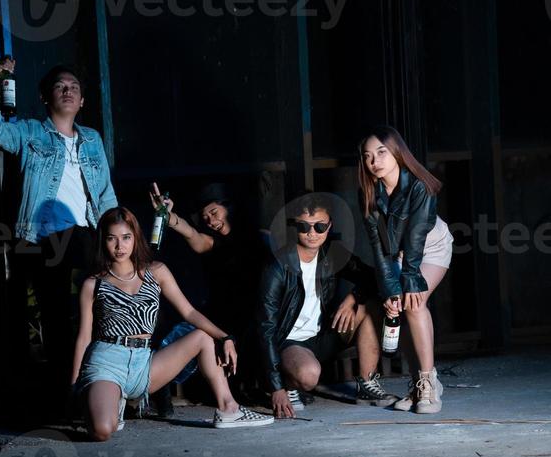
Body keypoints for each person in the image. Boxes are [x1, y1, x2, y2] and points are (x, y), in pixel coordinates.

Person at [72, 207, 274, 438]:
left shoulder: (156, 271)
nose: (120, 246)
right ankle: (107, 401)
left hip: (144, 364)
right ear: (103, 241)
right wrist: (75, 385)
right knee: (102, 431)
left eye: (126, 237)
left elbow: (189, 312)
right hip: (107, 362)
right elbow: (84, 337)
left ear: (136, 238)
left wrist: (224, 337)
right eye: (112, 238)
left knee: (202, 336)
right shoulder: (93, 284)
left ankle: (229, 408)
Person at [0, 56, 117, 389]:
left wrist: (118, 233)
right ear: (46, 97)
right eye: (60, 86)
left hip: (85, 234)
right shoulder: (30, 132)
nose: (67, 91)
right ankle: (64, 393)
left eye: (73, 87)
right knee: (55, 316)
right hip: (42, 238)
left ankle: (104, 381)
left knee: (102, 305)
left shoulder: (92, 139)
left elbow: (104, 194)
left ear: (82, 100)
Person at [258, 193, 399, 419]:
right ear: (295, 226)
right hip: (288, 342)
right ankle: (289, 383)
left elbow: (373, 277)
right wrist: (276, 387)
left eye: (320, 226)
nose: (312, 233)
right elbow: (265, 326)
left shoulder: (332, 253)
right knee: (309, 375)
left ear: (329, 225)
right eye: (304, 226)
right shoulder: (277, 266)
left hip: (323, 336)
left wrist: (353, 297)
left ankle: (366, 385)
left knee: (370, 304)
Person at [148, 181, 267, 411]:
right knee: (184, 335)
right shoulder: (210, 242)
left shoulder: (258, 239)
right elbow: (191, 233)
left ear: (229, 207)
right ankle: (159, 386)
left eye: (214, 212)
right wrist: (169, 216)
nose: (211, 221)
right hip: (220, 315)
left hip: (253, 316)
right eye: (205, 217)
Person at [358, 125, 453, 414]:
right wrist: (389, 288)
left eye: (382, 152)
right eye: (367, 156)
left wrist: (408, 279)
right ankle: (416, 385)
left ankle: (429, 384)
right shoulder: (369, 193)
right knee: (399, 306)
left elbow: (416, 236)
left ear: (397, 152)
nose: (375, 161)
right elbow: (378, 247)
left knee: (415, 302)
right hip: (400, 255)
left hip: (432, 248)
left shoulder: (419, 186)